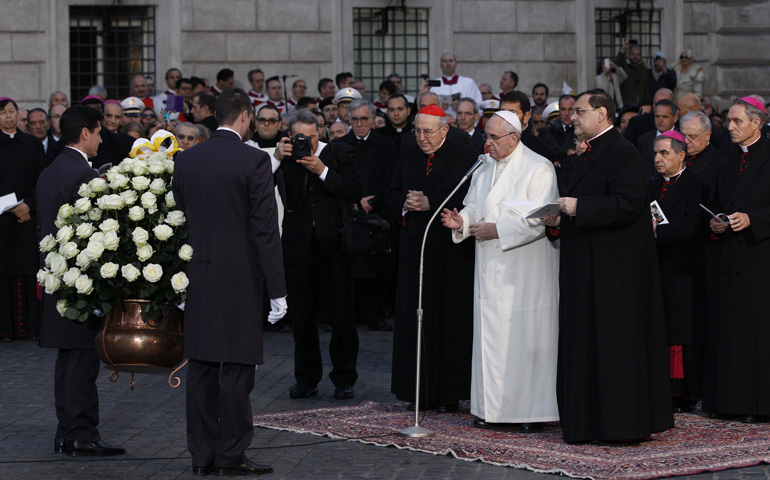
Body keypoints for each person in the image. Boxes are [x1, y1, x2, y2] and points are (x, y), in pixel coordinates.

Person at [543, 89, 673, 443]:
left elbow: (628, 204)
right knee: (584, 344)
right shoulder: (585, 154)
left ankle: (618, 425)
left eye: (580, 111)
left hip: (613, 272)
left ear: (602, 113)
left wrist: (577, 208)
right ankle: (585, 421)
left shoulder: (623, 152)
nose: (572, 118)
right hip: (583, 267)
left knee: (613, 347)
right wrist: (560, 213)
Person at [173, 87, 287, 475]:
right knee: (237, 369)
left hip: (199, 274)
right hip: (241, 279)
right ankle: (232, 453)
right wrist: (277, 289)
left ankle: (201, 456)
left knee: (202, 367)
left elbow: (181, 218)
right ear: (244, 117)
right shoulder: (255, 160)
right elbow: (265, 230)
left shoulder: (186, 160)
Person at [441, 110, 559, 430]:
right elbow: (473, 207)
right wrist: (461, 222)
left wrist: (499, 230)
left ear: (514, 138)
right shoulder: (483, 166)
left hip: (524, 270)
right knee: (491, 340)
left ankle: (529, 413)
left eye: (494, 137)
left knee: (522, 341)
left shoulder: (539, 167)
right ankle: (490, 409)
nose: (488, 143)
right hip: (489, 266)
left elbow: (540, 218)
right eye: (486, 136)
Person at [36, 105, 126, 456]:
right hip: (79, 283)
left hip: (57, 277)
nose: (102, 139)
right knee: (82, 361)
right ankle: (81, 434)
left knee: (68, 359)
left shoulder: (51, 170)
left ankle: (66, 431)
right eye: (99, 132)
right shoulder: (82, 175)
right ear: (85, 133)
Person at [386, 105, 476, 412]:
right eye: (417, 130)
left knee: (447, 320)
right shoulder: (408, 151)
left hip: (448, 251)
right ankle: (415, 390)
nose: (421, 138)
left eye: (428, 131)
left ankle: (448, 392)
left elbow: (470, 201)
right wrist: (405, 203)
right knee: (414, 318)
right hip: (414, 247)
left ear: (444, 130)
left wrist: (431, 202)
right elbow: (390, 192)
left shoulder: (464, 156)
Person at [274, 109, 362, 401]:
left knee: (342, 317)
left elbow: (354, 188)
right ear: (289, 135)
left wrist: (321, 170)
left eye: (311, 137)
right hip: (299, 249)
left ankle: (344, 379)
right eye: (301, 138)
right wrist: (277, 157)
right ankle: (307, 379)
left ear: (320, 132)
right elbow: (257, 184)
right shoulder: (284, 158)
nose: (307, 143)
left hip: (335, 246)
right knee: (303, 320)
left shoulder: (339, 153)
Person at [703, 96, 770, 424]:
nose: (728, 127)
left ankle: (759, 404)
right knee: (728, 332)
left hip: (759, 259)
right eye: (728, 121)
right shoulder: (725, 159)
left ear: (756, 123)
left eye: (737, 121)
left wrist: (754, 219)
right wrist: (715, 220)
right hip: (727, 257)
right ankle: (726, 400)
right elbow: (714, 200)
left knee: (756, 334)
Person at [649, 131, 709, 413]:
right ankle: (662, 389)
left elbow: (693, 228)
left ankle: (685, 392)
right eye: (655, 154)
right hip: (655, 268)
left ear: (681, 155)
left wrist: (657, 232)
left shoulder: (696, 186)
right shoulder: (650, 185)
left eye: (664, 153)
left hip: (683, 271)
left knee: (683, 331)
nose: (658, 159)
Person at [334, 100, 398, 332]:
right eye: (355, 119)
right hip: (348, 215)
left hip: (377, 214)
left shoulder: (386, 144)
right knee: (349, 268)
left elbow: (391, 176)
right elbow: (336, 177)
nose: (359, 124)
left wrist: (372, 200)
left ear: (371, 119)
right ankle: (348, 316)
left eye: (364, 119)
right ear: (348, 121)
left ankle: (376, 315)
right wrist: (352, 200)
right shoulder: (340, 144)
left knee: (377, 267)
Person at [0, 98, 45, 339]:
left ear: (18, 115)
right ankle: (5, 329)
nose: (8, 116)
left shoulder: (31, 144)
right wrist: (11, 207)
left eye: (11, 112)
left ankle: (27, 328)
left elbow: (41, 178)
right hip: (3, 220)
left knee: (26, 269)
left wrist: (28, 204)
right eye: (3, 113)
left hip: (27, 217)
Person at [615, 42, 651, 106]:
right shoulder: (625, 67)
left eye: (637, 55)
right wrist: (623, 50)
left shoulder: (643, 70)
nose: (635, 57)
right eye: (633, 54)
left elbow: (647, 88)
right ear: (628, 56)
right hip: (626, 104)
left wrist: (646, 104)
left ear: (640, 57)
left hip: (640, 104)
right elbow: (617, 64)